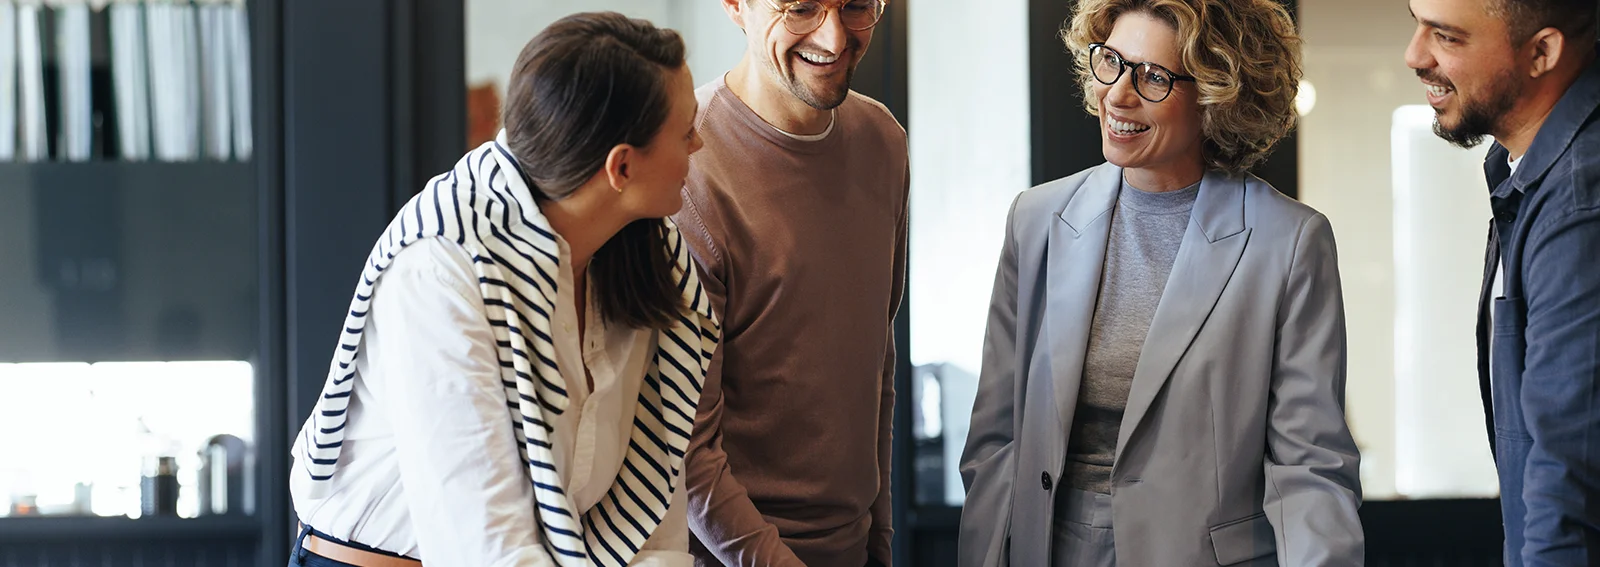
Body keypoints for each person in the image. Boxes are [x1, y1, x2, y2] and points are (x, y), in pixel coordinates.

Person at [286, 12, 719, 567]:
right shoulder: (442, 267)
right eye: (685, 131)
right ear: (622, 167)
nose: (700, 142)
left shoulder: (645, 256)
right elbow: (482, 546)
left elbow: (653, 512)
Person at [957, 0, 1365, 565]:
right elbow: (995, 441)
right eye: (1111, 62)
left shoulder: (1290, 242)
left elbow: (1310, 467)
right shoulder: (1037, 219)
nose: (1119, 94)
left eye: (1152, 76)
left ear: (1216, 92)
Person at [671, 0, 908, 565]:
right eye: (801, 8)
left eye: (855, 5)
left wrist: (880, 543)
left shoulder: (883, 141)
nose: (833, 37)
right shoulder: (686, 167)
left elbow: (877, 364)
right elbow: (685, 449)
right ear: (735, 7)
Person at [1404, 0, 1600, 564]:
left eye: (1446, 36)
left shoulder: (1580, 204)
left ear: (1542, 52)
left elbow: (1570, 489)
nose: (1414, 55)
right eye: (1415, 23)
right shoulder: (1527, 173)